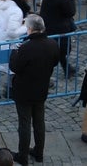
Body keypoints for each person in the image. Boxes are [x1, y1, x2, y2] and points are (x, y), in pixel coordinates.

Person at [9, 14, 60, 166]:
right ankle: (39, 153)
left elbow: (15, 67)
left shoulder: (26, 48)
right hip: (41, 88)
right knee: (39, 122)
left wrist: (13, 53)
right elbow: (55, 62)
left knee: (24, 123)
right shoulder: (52, 44)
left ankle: (23, 155)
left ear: (30, 29)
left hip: (24, 90)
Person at [39, 0, 79, 77]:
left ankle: (67, 68)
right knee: (60, 49)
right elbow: (71, 12)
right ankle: (45, 74)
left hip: (47, 21)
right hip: (59, 26)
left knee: (57, 49)